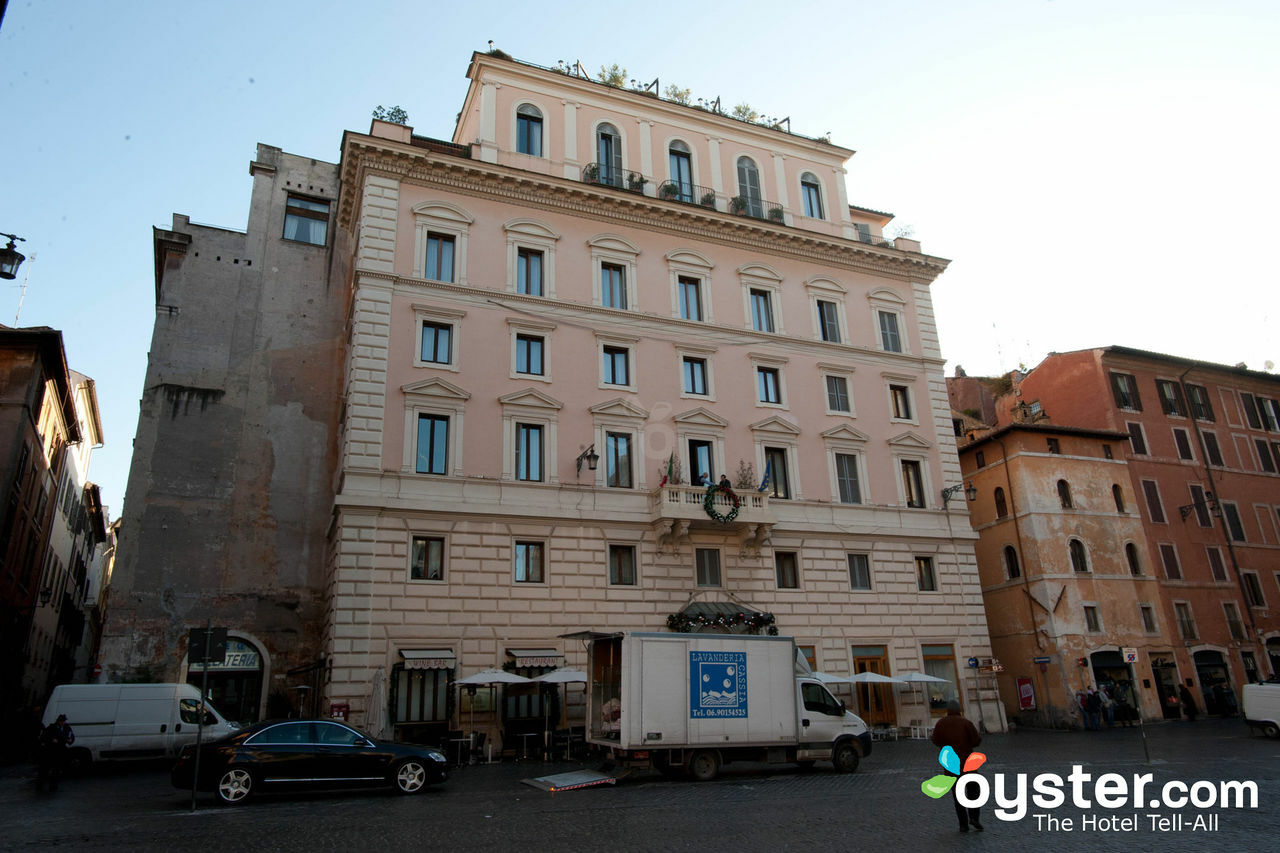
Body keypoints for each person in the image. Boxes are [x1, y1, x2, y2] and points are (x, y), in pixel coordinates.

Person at [931, 699, 983, 833]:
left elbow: (935, 740)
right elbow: (976, 740)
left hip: (950, 765)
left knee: (958, 796)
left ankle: (963, 825)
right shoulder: (965, 723)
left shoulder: (941, 724)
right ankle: (974, 817)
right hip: (967, 764)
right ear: (959, 709)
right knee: (974, 791)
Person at [36, 714, 74, 792]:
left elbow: (71, 736)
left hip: (60, 750)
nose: (62, 722)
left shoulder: (67, 728)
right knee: (45, 769)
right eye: (61, 721)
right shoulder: (52, 728)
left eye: (63, 721)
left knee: (57, 769)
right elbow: (44, 737)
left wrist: (70, 740)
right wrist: (51, 740)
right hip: (51, 751)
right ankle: (40, 785)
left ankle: (53, 785)